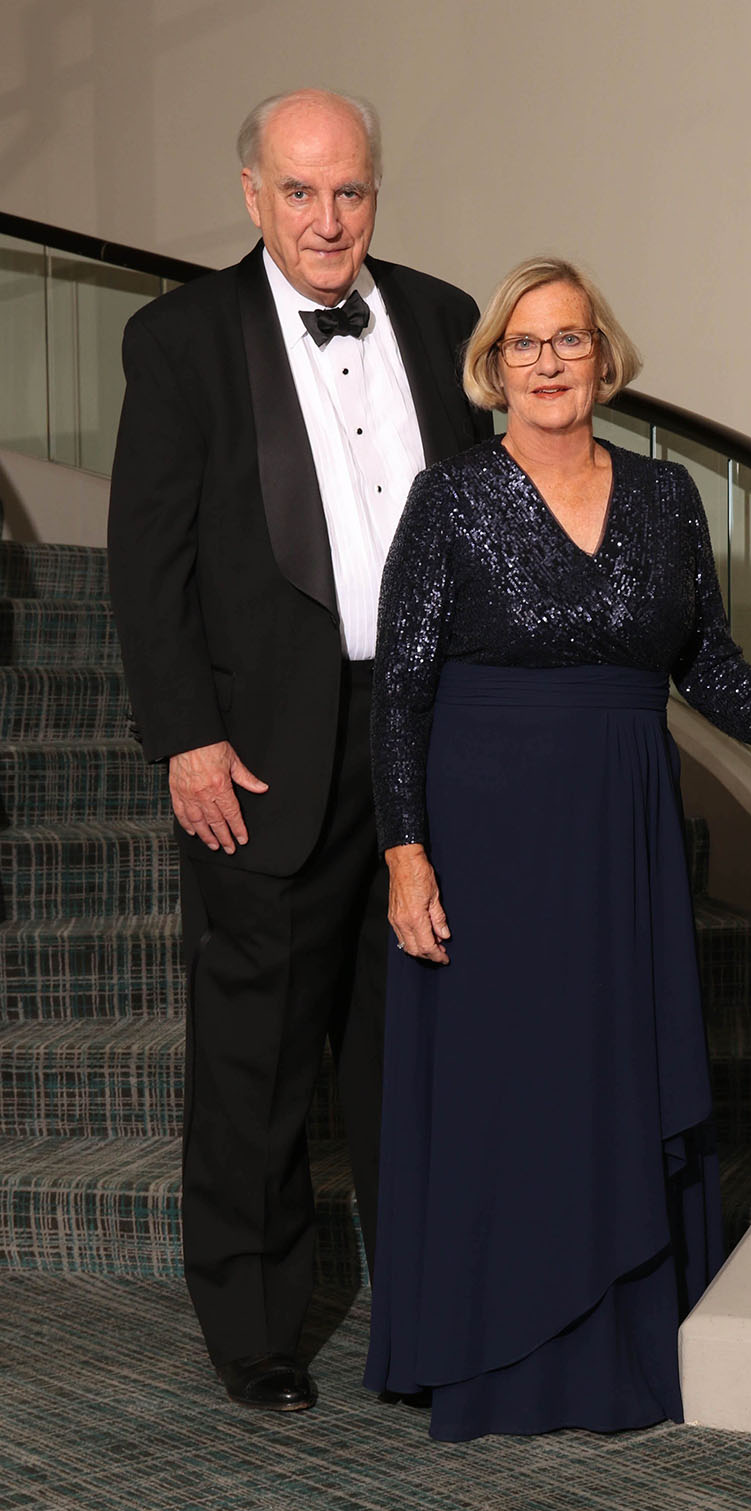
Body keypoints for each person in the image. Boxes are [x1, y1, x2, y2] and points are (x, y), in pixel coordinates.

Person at [362, 256, 751, 1440]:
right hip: (488, 828)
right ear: (493, 369)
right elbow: (400, 692)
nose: (552, 363)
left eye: (571, 341)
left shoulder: (666, 498)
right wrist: (406, 852)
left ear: (605, 359)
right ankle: (497, 1347)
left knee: (609, 1072)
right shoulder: (451, 498)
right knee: (508, 1088)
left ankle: (621, 1351)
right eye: (527, 345)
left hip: (621, 827)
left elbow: (703, 662)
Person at [107, 88, 490, 1413]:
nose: (331, 219)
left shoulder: (445, 321)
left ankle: (426, 1318)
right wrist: (186, 736)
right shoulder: (181, 339)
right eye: (303, 191)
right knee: (259, 1054)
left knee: (416, 1048)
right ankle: (257, 1331)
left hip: (425, 733)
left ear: (376, 192)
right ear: (254, 194)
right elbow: (147, 564)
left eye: (354, 191)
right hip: (261, 746)